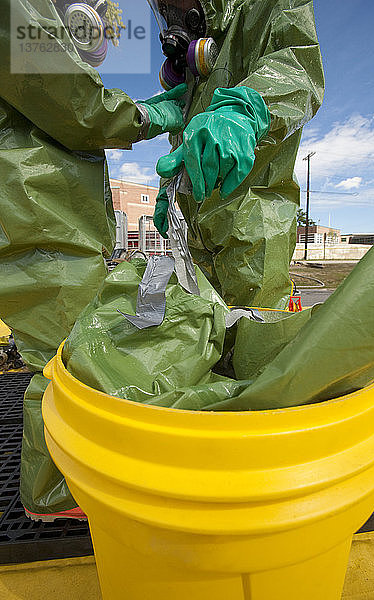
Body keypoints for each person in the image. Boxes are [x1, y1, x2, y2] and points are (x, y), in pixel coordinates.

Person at [0, 0, 187, 520]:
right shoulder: (23, 11)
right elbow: (69, 98)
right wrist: (145, 116)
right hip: (35, 206)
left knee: (55, 350)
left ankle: (52, 483)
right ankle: (54, 490)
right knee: (65, 357)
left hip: (38, 207)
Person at [151, 0, 325, 308]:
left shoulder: (261, 8)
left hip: (252, 233)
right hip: (196, 238)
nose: (165, 7)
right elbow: (195, 138)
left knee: (256, 346)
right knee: (206, 343)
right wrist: (175, 183)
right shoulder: (194, 61)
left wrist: (245, 111)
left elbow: (298, 69)